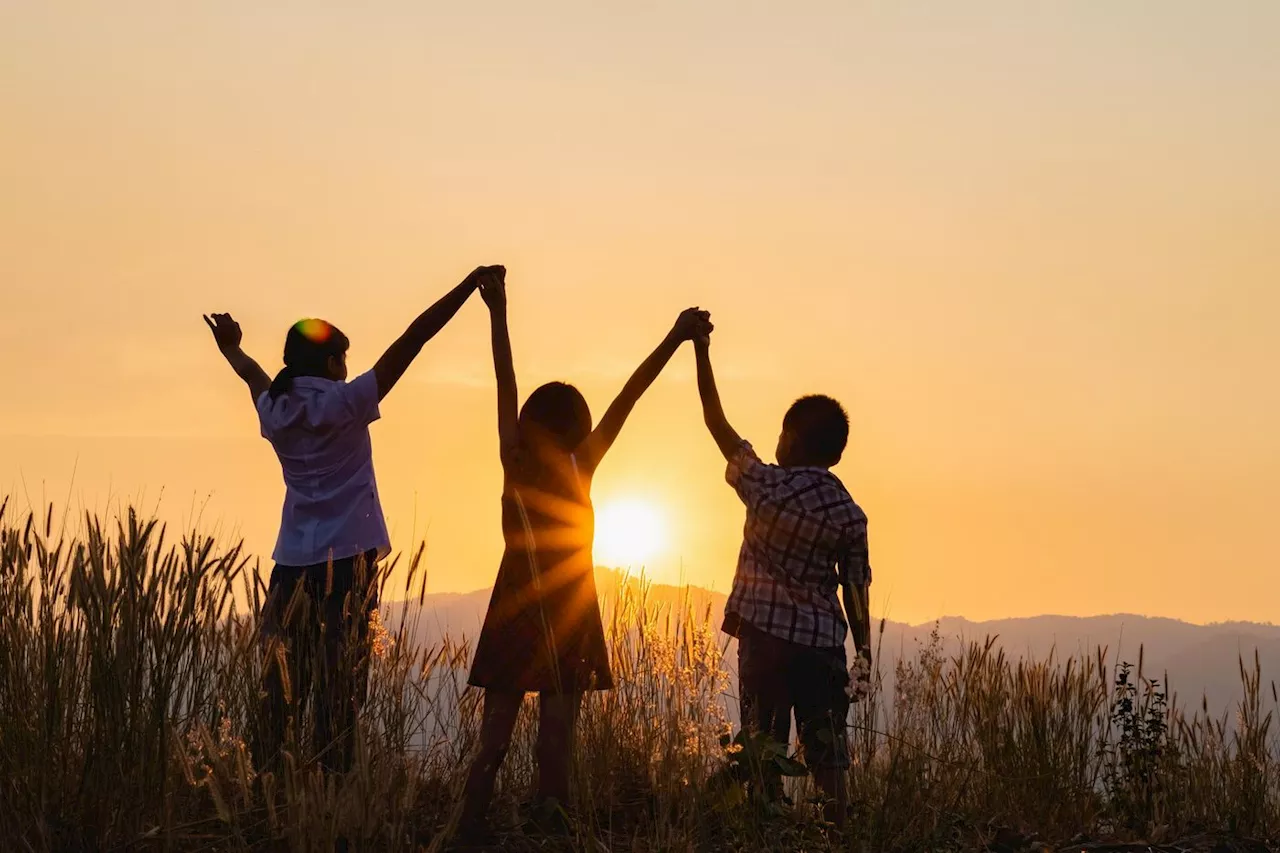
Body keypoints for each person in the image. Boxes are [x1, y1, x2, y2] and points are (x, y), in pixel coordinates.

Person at [203, 264, 502, 772]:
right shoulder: (348, 402)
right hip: (349, 562)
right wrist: (468, 287)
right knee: (341, 687)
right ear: (332, 361)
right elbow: (415, 338)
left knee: (281, 685)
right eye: (343, 356)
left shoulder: (275, 408)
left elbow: (253, 375)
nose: (348, 365)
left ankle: (271, 789)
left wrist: (231, 347)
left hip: (292, 564)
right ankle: (333, 787)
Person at [459, 271, 710, 835]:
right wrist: (674, 337)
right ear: (579, 429)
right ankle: (552, 830)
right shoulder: (582, 464)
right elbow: (630, 395)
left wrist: (498, 312)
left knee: (492, 740)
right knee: (556, 739)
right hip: (570, 607)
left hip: (514, 604)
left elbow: (505, 377)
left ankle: (466, 832)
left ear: (528, 423)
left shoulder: (515, 459)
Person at [692, 325, 871, 827]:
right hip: (821, 646)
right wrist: (866, 652)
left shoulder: (765, 485)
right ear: (835, 455)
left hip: (766, 642)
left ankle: (765, 824)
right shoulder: (850, 513)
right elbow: (856, 587)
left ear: (788, 441)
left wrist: (701, 350)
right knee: (827, 746)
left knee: (763, 741)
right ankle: (839, 827)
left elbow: (715, 421)